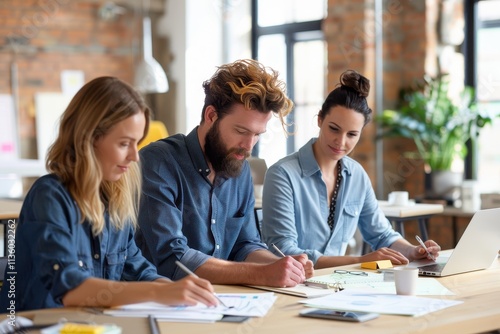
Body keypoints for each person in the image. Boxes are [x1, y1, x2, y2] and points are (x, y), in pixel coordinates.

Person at [0, 77, 218, 312]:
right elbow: (70, 288)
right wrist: (161, 291)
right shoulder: (50, 197)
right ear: (89, 139)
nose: (135, 156)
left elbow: (137, 269)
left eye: (137, 144)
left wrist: (174, 289)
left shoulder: (114, 200)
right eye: (125, 143)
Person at [136, 59, 314, 287]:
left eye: (258, 134)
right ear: (211, 116)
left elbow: (245, 245)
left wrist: (282, 266)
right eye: (241, 131)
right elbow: (173, 258)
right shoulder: (157, 162)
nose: (249, 146)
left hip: (224, 301)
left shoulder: (240, 170)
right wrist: (261, 275)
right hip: (162, 302)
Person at [261, 70, 441, 269]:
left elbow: (382, 235)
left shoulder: (356, 175)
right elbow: (284, 250)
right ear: (320, 119)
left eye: (352, 134)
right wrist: (359, 261)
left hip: (339, 284)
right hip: (292, 284)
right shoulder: (282, 175)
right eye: (334, 129)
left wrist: (414, 251)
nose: (341, 142)